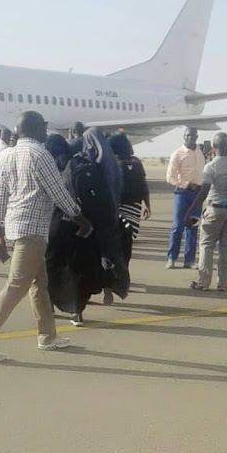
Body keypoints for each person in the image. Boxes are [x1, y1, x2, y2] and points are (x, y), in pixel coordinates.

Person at [0, 111, 92, 362]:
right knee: (17, 285)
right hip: (32, 230)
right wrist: (81, 220)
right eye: (44, 128)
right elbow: (59, 193)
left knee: (38, 283)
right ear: (34, 129)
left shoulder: (8, 155)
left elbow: (0, 195)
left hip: (16, 227)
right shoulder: (40, 154)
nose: (47, 132)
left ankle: (47, 336)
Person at [45, 135, 112, 326]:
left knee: (52, 265)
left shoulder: (54, 168)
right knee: (77, 268)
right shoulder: (82, 163)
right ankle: (78, 312)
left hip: (60, 223)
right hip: (85, 224)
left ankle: (48, 304)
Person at [185, 132, 227, 291]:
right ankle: (223, 284)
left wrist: (190, 211)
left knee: (206, 246)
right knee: (226, 248)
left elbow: (203, 192)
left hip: (215, 209)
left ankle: (203, 282)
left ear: (213, 147)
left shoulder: (211, 166)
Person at [81, 128, 128, 300]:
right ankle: (108, 289)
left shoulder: (93, 164)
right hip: (111, 212)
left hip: (95, 214)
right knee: (108, 251)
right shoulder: (113, 163)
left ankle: (87, 292)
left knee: (91, 253)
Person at [105, 133, 151, 304]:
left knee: (111, 248)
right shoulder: (137, 163)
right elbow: (144, 185)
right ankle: (123, 280)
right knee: (126, 248)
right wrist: (147, 204)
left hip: (115, 211)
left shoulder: (112, 164)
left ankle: (108, 285)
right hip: (134, 210)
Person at [166, 127, 205, 269]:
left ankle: (189, 260)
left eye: (193, 135)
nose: (191, 138)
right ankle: (171, 257)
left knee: (193, 226)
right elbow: (170, 177)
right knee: (178, 226)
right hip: (182, 192)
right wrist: (186, 184)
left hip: (197, 194)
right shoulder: (177, 154)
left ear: (197, 136)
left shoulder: (200, 153)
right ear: (184, 136)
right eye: (188, 135)